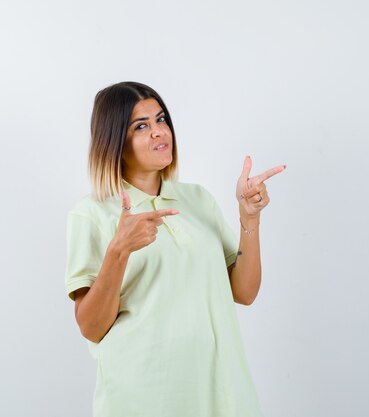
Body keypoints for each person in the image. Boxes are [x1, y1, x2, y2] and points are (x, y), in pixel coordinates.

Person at [64, 81, 286, 417]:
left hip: (218, 388)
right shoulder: (92, 213)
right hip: (141, 397)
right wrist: (118, 252)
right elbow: (91, 328)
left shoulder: (198, 200)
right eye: (141, 126)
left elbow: (244, 291)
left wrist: (248, 217)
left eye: (161, 119)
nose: (158, 132)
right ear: (114, 142)